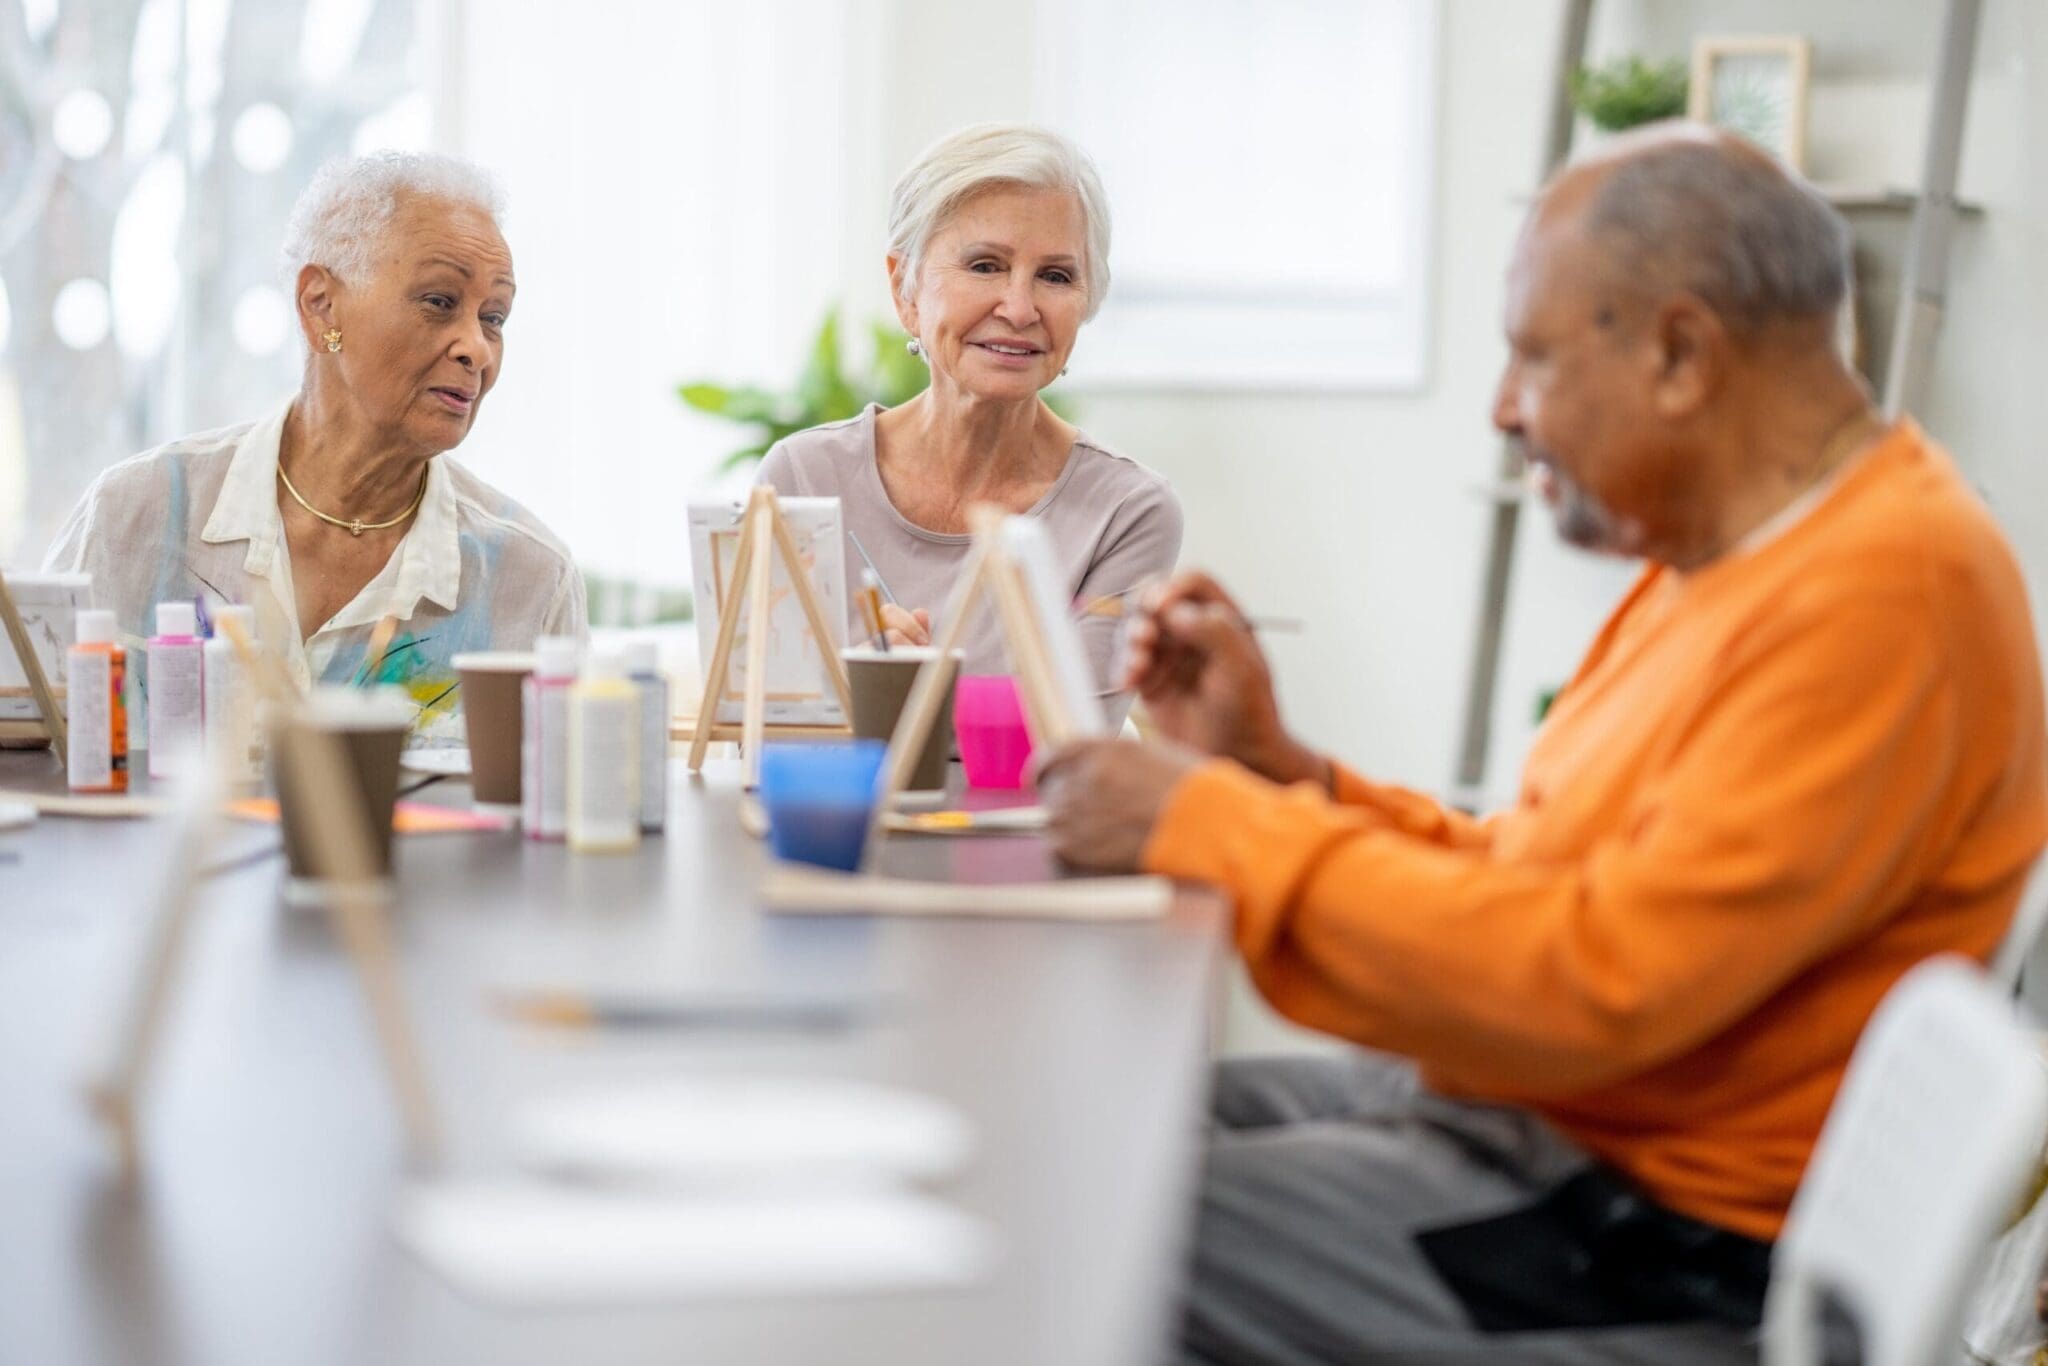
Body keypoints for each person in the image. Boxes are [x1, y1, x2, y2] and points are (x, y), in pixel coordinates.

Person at [1040, 125, 2048, 1363]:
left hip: (1652, 1235)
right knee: (1084, 1128)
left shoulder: (1886, 591)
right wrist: (1277, 771)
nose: (1502, 408)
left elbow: (1592, 978)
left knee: (1059, 1222)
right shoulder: (1739, 557)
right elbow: (1539, 873)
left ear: (1680, 352)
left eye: (1531, 355)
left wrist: (1197, 818)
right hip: (1554, 1124)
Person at [45, 150, 583, 733]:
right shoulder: (132, 517)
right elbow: (22, 748)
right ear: (320, 305)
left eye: (494, 318)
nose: (476, 349)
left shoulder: (530, 581)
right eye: (439, 302)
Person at [758, 123, 1180, 703]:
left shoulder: (1126, 513)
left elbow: (1075, 756)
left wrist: (889, 699)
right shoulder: (803, 478)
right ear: (905, 290)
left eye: (1056, 276)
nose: (1020, 308)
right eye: (984, 266)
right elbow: (761, 725)